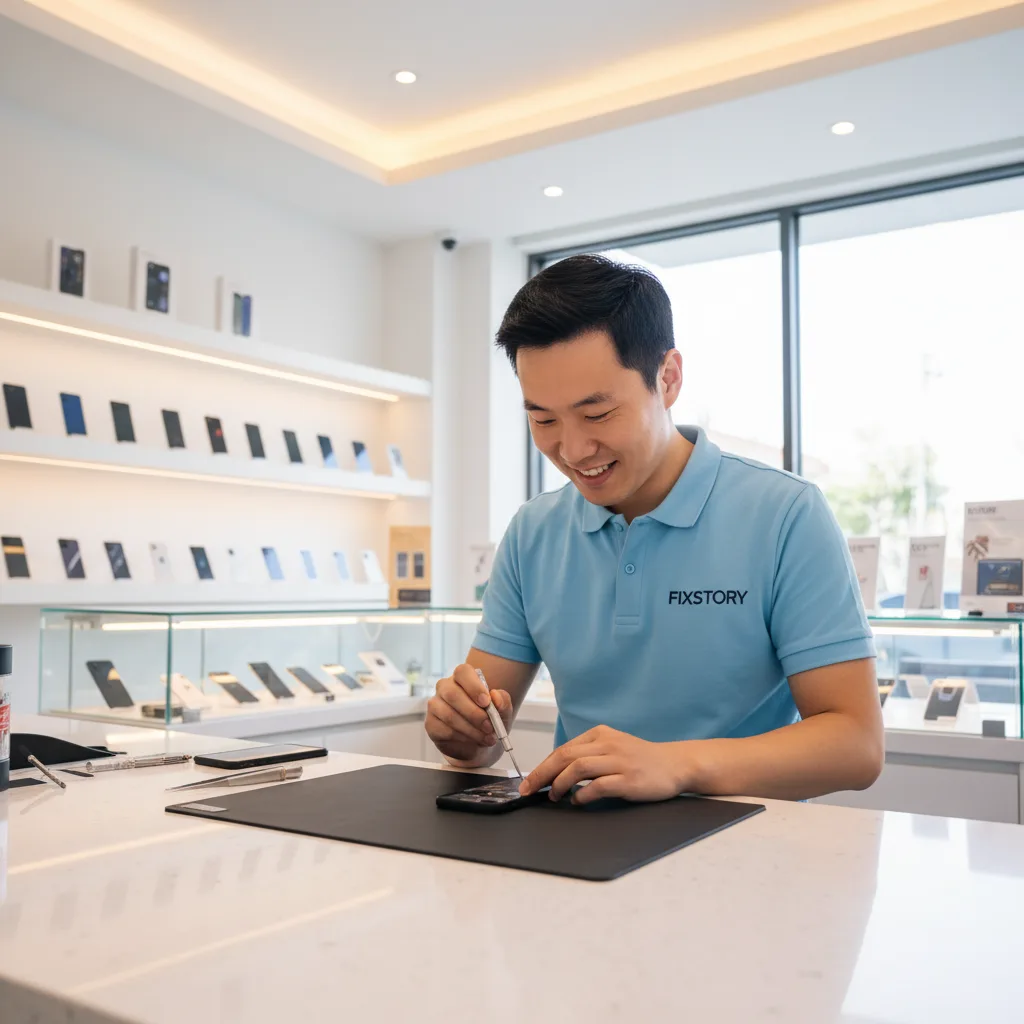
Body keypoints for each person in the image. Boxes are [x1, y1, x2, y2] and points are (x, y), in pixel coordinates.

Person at [425, 254, 883, 804]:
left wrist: (676, 764)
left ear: (667, 378)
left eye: (597, 415)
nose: (571, 450)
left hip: (742, 848)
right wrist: (463, 731)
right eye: (543, 419)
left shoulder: (786, 514)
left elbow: (855, 745)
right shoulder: (533, 531)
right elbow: (479, 744)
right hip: (575, 846)